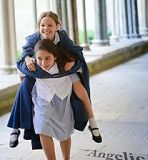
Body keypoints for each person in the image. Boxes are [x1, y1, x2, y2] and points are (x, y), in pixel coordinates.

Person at [8, 11, 102, 148]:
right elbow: (23, 56)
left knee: (80, 89)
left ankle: (93, 124)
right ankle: (15, 128)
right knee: (24, 87)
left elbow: (77, 54)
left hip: (61, 69)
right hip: (40, 70)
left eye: (50, 25)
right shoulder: (33, 39)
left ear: (57, 26)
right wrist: (28, 58)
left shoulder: (63, 38)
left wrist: (73, 61)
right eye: (42, 25)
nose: (46, 28)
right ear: (38, 26)